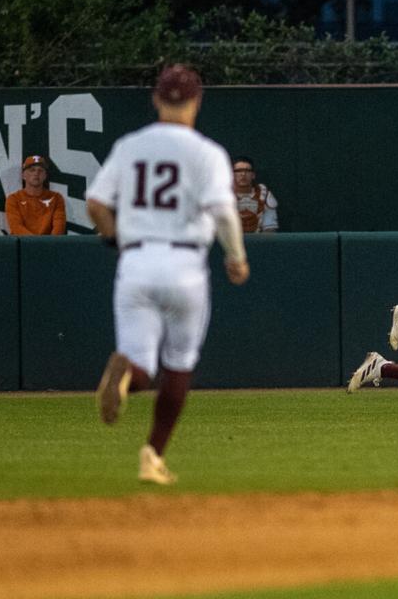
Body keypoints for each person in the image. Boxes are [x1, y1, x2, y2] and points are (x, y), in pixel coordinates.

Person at [86, 63, 250, 485]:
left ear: (157, 99)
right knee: (179, 365)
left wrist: (118, 241)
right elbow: (223, 212)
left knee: (140, 363)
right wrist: (236, 257)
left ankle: (125, 380)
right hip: (185, 265)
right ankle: (152, 455)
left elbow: (96, 204)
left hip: (136, 261)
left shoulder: (130, 145)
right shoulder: (207, 152)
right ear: (196, 101)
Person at [5, 155, 67, 235]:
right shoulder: (13, 199)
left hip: (49, 246)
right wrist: (36, 245)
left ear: (45, 175)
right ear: (23, 175)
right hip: (23, 246)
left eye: (40, 170)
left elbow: (59, 228)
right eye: (32, 170)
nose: (36, 173)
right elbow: (16, 227)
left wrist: (49, 245)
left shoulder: (56, 198)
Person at [232, 156, 279, 232]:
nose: (243, 174)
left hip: (258, 241)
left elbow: (270, 230)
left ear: (253, 175)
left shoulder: (263, 195)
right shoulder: (222, 196)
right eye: (238, 171)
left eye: (247, 171)